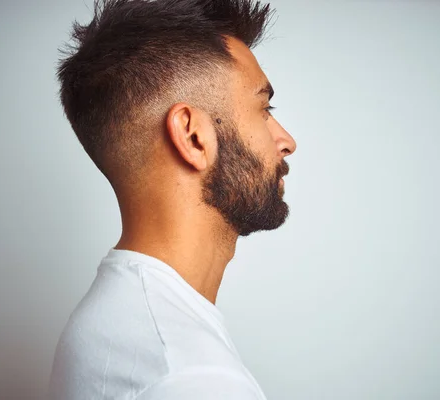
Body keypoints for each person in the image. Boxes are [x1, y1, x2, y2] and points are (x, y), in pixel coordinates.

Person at [48, 0, 297, 398]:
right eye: (263, 109)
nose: (286, 142)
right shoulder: (189, 376)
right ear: (193, 137)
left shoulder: (110, 320)